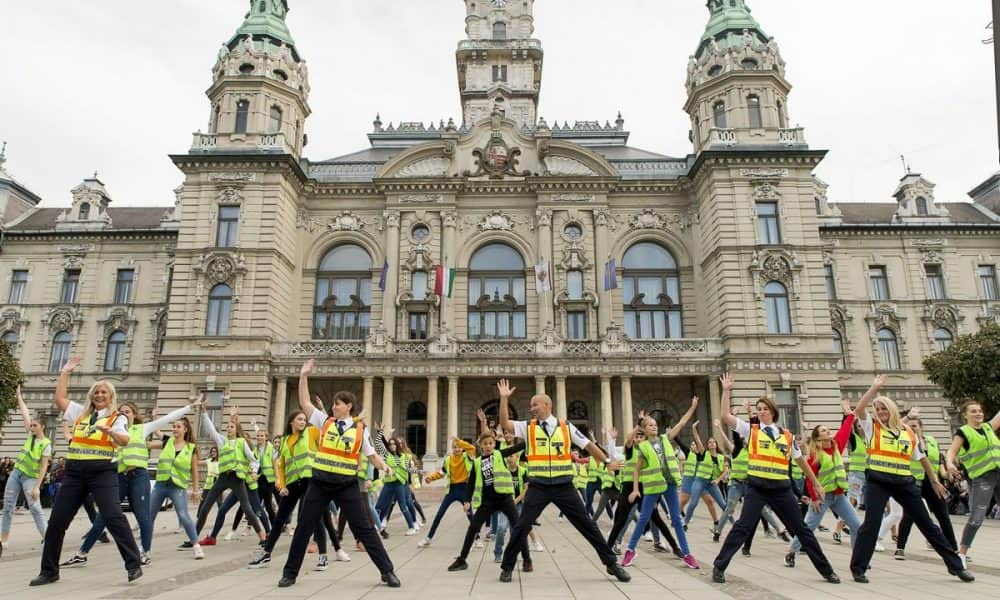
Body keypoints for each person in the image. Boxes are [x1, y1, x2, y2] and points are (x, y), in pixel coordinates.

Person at [273, 359, 400, 588]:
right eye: (333, 404)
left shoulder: (361, 430)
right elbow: (304, 402)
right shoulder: (325, 422)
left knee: (365, 528)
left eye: (338, 404)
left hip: (346, 484)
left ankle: (387, 571)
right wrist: (303, 376)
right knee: (304, 527)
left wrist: (385, 466)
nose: (333, 407)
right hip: (320, 483)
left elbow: (371, 456)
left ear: (349, 406)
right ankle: (290, 573)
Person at [711, 373, 840, 585]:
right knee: (743, 526)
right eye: (759, 409)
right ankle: (719, 566)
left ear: (773, 412)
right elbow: (725, 416)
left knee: (801, 529)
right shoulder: (750, 430)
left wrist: (815, 483)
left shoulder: (787, 436)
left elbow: (800, 461)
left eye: (765, 409)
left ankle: (827, 571)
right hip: (758, 487)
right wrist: (726, 390)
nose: (761, 412)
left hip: (781, 489)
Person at [497, 379, 630, 583]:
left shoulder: (565, 426)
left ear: (547, 406)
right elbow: (505, 424)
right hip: (538, 485)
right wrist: (504, 400)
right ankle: (507, 567)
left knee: (587, 525)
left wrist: (607, 461)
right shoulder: (528, 427)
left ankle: (611, 564)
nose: (531, 408)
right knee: (522, 525)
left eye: (535, 404)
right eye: (531, 405)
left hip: (563, 485)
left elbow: (588, 445)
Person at [31, 356, 143, 586]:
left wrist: (110, 432)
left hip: (102, 473)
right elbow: (60, 399)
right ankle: (49, 571)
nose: (99, 395)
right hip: (74, 473)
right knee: (57, 522)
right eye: (96, 392)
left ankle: (133, 565)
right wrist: (66, 372)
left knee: (113, 516)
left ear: (111, 397)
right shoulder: (80, 413)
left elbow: (124, 439)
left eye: (104, 392)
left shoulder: (116, 417)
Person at [848, 377, 972, 583]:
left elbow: (921, 458)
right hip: (878, 481)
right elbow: (860, 408)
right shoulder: (872, 427)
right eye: (877, 409)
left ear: (893, 410)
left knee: (927, 523)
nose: (880, 412)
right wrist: (875, 388)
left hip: (904, 481)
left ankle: (956, 566)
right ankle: (859, 568)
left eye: (884, 409)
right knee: (871, 523)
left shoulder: (908, 432)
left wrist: (933, 481)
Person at [63, 398, 197, 567]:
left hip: (138, 476)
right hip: (119, 477)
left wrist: (189, 407)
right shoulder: (113, 430)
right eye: (121, 411)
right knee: (103, 516)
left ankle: (145, 553)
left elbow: (167, 418)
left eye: (128, 411)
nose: (124, 414)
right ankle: (82, 553)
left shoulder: (142, 429)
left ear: (134, 415)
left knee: (143, 516)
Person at [248, 407, 347, 569]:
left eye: (304, 419)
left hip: (312, 482)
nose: (303, 422)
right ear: (291, 422)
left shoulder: (311, 432)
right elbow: (281, 466)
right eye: (299, 419)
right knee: (280, 519)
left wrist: (328, 411)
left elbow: (327, 425)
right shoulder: (285, 440)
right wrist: (281, 485)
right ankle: (266, 553)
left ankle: (323, 556)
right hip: (293, 485)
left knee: (317, 519)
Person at [784, 397, 863, 567]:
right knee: (808, 527)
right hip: (822, 497)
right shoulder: (815, 455)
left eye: (828, 430)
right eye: (825, 430)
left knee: (857, 525)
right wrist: (814, 498)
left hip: (839, 495)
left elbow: (845, 430)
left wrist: (848, 414)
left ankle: (858, 559)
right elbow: (810, 478)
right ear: (819, 437)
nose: (829, 432)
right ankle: (791, 551)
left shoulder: (836, 446)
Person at [621, 407, 700, 569]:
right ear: (644, 429)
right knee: (643, 518)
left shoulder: (665, 438)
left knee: (676, 519)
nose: (654, 427)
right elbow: (637, 469)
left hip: (670, 484)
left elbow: (682, 422)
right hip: (654, 486)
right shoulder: (643, 447)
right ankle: (630, 550)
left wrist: (692, 407)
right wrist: (636, 490)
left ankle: (687, 554)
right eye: (650, 425)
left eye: (655, 424)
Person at [447, 431, 531, 571]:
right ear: (480, 445)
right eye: (485, 444)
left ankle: (527, 559)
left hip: (505, 499)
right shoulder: (477, 462)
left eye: (491, 443)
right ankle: (462, 560)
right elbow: (471, 483)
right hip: (488, 501)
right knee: (473, 528)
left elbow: (517, 448)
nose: (488, 446)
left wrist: (532, 437)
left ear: (494, 444)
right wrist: (467, 500)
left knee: (518, 527)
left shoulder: (500, 454)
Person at [194, 401, 266, 545]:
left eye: (231, 427)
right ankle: (194, 537)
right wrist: (203, 413)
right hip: (222, 478)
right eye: (227, 427)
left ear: (236, 429)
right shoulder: (222, 441)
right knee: (205, 506)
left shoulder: (241, 442)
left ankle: (262, 536)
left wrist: (252, 471)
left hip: (236, 478)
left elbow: (254, 459)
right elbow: (211, 430)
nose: (228, 429)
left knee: (247, 508)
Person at [711, 418, 788, 544]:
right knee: (729, 508)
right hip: (736, 484)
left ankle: (780, 530)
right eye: (745, 440)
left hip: (749, 484)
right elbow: (732, 438)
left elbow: (757, 435)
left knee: (762, 507)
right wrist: (721, 428)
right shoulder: (736, 451)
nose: (747, 441)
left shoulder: (753, 452)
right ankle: (718, 532)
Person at [945, 398, 1000, 567]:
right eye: (973, 411)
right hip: (983, 478)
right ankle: (961, 554)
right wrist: (949, 464)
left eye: (980, 411)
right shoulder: (964, 432)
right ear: (965, 415)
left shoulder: (988, 427)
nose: (978, 414)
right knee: (976, 517)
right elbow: (951, 451)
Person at [1, 386, 51, 557]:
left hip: (31, 478)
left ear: (42, 427)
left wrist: (37, 486)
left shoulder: (46, 444)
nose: (31, 426)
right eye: (31, 424)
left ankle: (48, 537)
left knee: (35, 507)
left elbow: (44, 467)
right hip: (16, 473)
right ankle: (4, 539)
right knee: (8, 506)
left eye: (35, 425)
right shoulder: (30, 435)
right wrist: (19, 397)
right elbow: (24, 413)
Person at [418, 435, 476, 547]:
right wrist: (431, 478)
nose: (457, 449)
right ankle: (428, 538)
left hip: (464, 489)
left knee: (470, 515)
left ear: (462, 448)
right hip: (452, 490)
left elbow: (472, 448)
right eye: (454, 447)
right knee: (439, 514)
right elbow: (442, 473)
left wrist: (459, 441)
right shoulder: (448, 459)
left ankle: (477, 538)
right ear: (452, 449)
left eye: (459, 447)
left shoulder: (467, 456)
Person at [682, 421, 728, 531]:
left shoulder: (722, 457)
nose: (712, 444)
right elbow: (697, 440)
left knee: (723, 505)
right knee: (693, 503)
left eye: (713, 442)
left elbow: (725, 471)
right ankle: (685, 523)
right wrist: (693, 428)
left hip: (711, 483)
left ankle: (731, 524)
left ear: (716, 444)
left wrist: (718, 480)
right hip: (699, 481)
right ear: (707, 445)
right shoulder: (704, 454)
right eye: (710, 442)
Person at [374, 436, 418, 534]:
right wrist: (380, 432)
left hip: (399, 483)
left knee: (403, 505)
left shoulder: (404, 457)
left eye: (394, 444)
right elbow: (378, 443)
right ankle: (378, 525)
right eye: (390, 444)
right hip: (389, 483)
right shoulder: (386, 455)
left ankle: (412, 527)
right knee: (380, 505)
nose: (392, 446)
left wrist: (419, 471)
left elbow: (408, 469)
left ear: (397, 445)